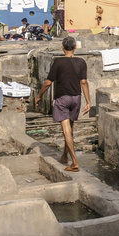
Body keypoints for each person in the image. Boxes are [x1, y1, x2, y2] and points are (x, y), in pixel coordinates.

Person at [35, 37, 90, 172]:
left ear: (62, 47)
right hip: (76, 98)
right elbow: (84, 82)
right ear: (75, 47)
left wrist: (39, 96)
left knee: (66, 131)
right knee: (70, 130)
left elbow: (48, 82)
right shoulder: (81, 62)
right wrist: (88, 102)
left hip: (62, 99)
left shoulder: (58, 62)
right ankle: (65, 156)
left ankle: (75, 162)